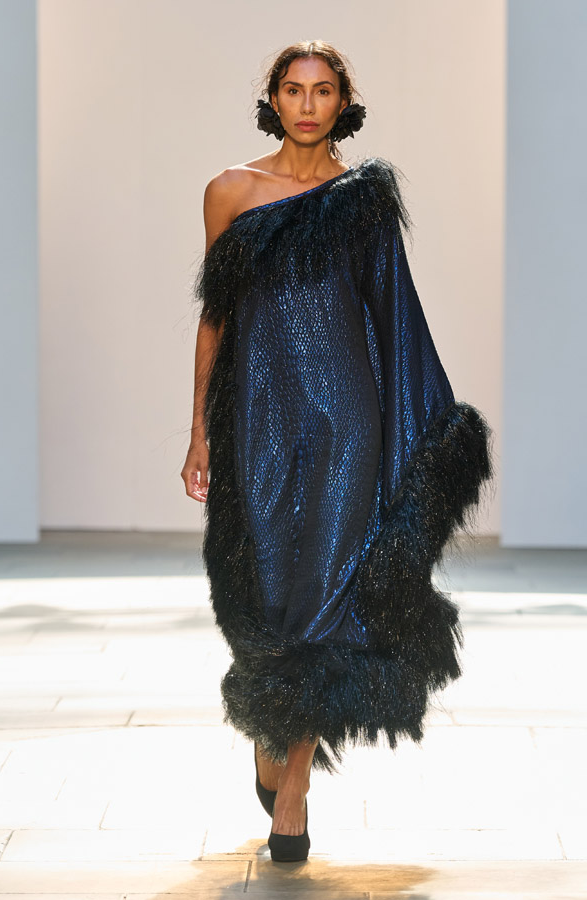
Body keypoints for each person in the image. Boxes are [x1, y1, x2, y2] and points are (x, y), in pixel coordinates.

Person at [181, 40, 494, 862]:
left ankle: (293, 790)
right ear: (274, 100)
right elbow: (215, 319)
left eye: (323, 91)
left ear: (344, 103)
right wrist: (198, 430)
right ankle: (273, 727)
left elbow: (394, 317)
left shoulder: (363, 202)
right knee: (265, 588)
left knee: (326, 587)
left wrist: (417, 435)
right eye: (294, 89)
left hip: (346, 422)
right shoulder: (229, 191)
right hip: (258, 417)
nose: (309, 104)